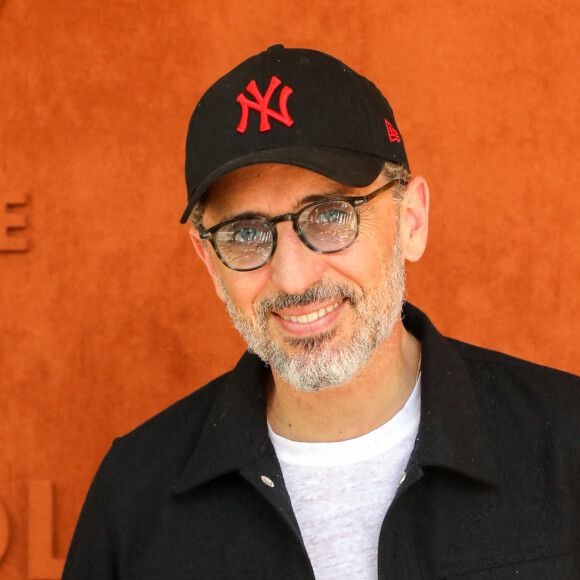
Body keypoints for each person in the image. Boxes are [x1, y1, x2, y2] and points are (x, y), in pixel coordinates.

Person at [62, 45, 580, 579]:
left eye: (330, 215)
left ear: (412, 221)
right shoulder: (135, 495)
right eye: (245, 233)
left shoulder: (566, 444)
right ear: (210, 262)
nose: (294, 278)